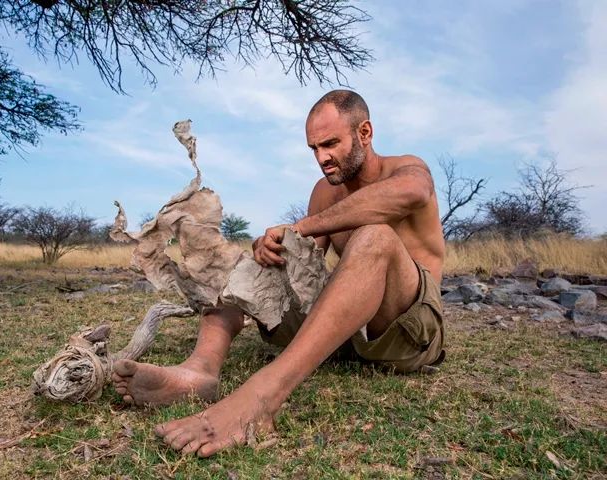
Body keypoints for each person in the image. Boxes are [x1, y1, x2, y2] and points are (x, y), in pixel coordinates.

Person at [111, 89, 446, 457]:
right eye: (314, 148)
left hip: (407, 333)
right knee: (247, 263)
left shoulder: (406, 170)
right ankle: (200, 371)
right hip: (351, 334)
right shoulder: (325, 191)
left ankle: (264, 395)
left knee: (375, 238)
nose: (322, 158)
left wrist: (301, 227)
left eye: (331, 144)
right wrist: (270, 251)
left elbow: (413, 193)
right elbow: (306, 268)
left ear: (364, 133)